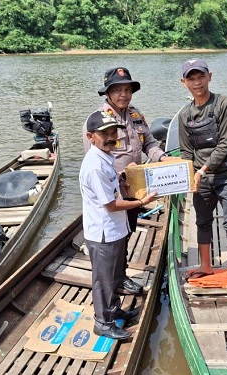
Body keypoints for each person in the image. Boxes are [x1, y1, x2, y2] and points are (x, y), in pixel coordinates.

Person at [82, 67, 173, 295]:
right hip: (112, 192)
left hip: (134, 187)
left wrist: (162, 158)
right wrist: (119, 174)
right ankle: (111, 282)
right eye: (118, 90)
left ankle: (120, 277)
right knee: (112, 239)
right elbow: (94, 161)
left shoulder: (136, 115)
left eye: (127, 89)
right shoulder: (96, 122)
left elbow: (149, 144)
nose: (124, 95)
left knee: (127, 233)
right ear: (108, 94)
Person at [80, 110, 157, 340]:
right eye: (105, 133)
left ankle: (114, 311)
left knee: (113, 276)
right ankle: (102, 322)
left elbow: (111, 191)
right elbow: (111, 205)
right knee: (103, 280)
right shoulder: (95, 165)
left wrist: (123, 180)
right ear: (91, 137)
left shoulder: (106, 158)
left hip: (113, 229)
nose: (111, 136)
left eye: (113, 131)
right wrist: (141, 202)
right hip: (103, 232)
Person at [178, 58, 227, 289]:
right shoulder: (184, 115)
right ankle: (206, 265)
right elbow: (187, 151)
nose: (197, 83)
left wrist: (203, 169)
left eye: (201, 77)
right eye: (191, 78)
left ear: (210, 77)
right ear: (183, 82)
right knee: (202, 222)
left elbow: (225, 143)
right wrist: (189, 175)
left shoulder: (225, 104)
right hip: (201, 178)